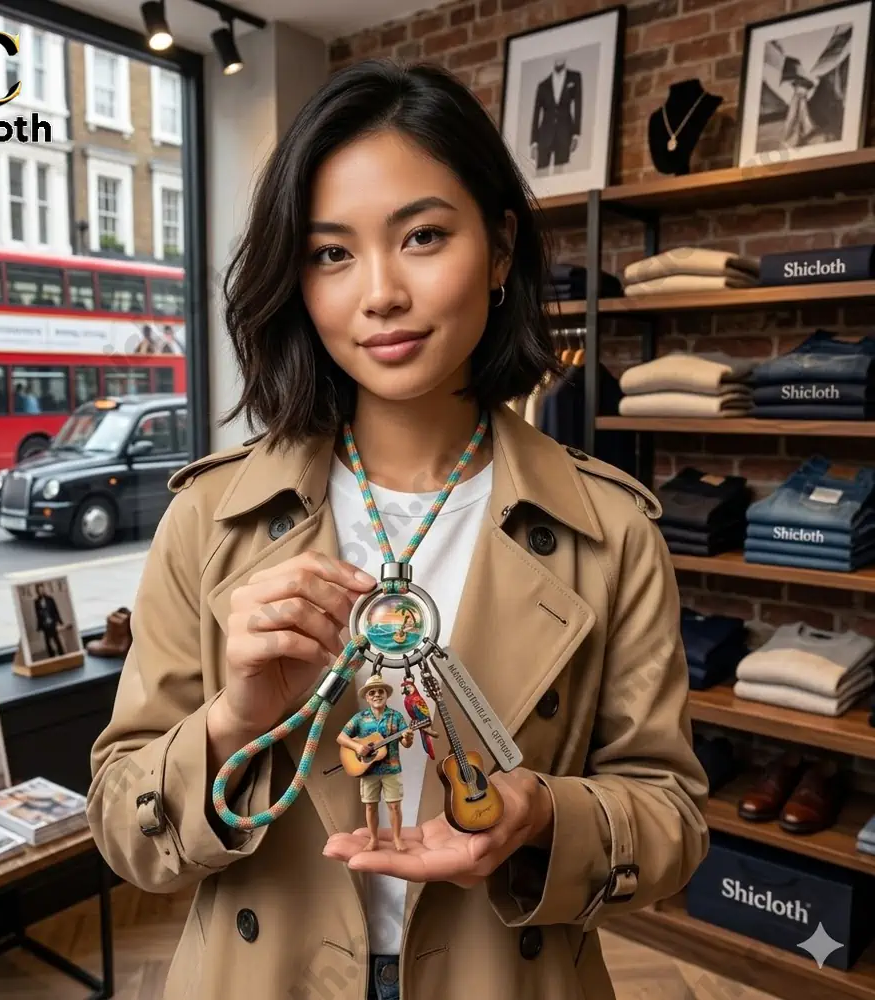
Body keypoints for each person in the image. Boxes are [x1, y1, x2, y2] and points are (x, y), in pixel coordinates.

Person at [87, 58, 709, 1000]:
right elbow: (123, 833)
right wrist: (236, 720)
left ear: (500, 248)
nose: (377, 293)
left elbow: (672, 820)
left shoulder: (609, 531)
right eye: (331, 252)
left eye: (421, 235)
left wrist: (540, 814)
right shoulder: (209, 520)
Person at [337, 674, 414, 853]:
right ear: (367, 697)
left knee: (394, 806)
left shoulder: (396, 717)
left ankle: (396, 838)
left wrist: (408, 738)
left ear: (386, 695)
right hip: (368, 770)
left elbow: (406, 744)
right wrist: (357, 747)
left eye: (381, 691)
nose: (377, 695)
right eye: (372, 692)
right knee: (370, 806)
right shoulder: (360, 718)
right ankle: (373, 839)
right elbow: (341, 737)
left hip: (392, 769)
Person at [530, 57, 582, 171]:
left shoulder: (574, 77)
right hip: (544, 135)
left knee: (560, 174)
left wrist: (576, 134)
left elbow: (578, 105)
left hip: (564, 133)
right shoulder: (543, 85)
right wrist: (534, 142)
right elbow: (536, 113)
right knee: (541, 174)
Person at [32, 582, 65, 658]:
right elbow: (37, 615)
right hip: (44, 624)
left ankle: (62, 654)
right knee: (47, 641)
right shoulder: (36, 602)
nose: (41, 591)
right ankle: (51, 656)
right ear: (37, 591)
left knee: (56, 639)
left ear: (44, 589)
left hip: (52, 622)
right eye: (39, 590)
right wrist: (39, 625)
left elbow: (55, 610)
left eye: (42, 589)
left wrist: (59, 621)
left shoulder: (50, 599)